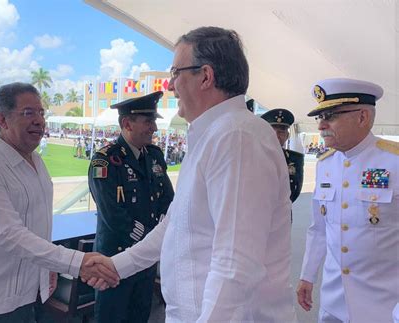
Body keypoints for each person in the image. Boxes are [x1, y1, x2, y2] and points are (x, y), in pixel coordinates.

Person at [85, 26, 297, 322]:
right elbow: (174, 224)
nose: (171, 86)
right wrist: (117, 265)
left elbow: (235, 264)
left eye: (175, 73)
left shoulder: (235, 137)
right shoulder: (214, 135)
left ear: (206, 77)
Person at [0, 82, 118, 322]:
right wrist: (76, 262)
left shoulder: (37, 163)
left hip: (27, 296)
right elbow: (10, 235)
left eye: (41, 113)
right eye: (28, 113)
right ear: (2, 120)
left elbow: (38, 224)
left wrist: (46, 268)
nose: (39, 121)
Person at [296, 78, 399, 323]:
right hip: (334, 303)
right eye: (319, 118)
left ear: (362, 117)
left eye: (330, 116)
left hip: (384, 306)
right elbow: (319, 229)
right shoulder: (326, 165)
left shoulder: (393, 162)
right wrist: (307, 275)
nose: (321, 126)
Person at [88, 91, 174, 323]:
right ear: (127, 123)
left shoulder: (154, 157)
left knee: (139, 316)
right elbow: (113, 216)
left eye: (154, 121)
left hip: (144, 262)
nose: (154, 128)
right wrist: (150, 240)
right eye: (148, 121)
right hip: (114, 261)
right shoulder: (105, 161)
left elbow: (168, 200)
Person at [261, 108, 304, 203]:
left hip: (284, 212)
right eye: (272, 131)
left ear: (287, 136)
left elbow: (295, 190)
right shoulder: (254, 155)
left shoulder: (295, 158)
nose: (276, 136)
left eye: (281, 132)